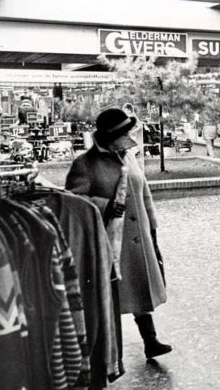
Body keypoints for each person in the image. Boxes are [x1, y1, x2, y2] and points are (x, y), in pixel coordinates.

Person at [65, 108, 172, 360]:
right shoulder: (85, 164)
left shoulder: (128, 156)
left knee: (139, 286)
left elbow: (143, 190)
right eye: (123, 134)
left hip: (138, 235)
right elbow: (73, 200)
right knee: (110, 293)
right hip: (109, 239)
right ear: (110, 136)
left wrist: (152, 227)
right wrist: (105, 205)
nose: (128, 138)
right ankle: (107, 353)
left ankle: (150, 340)